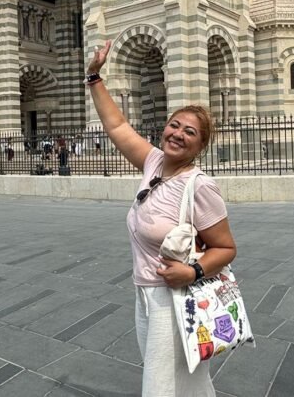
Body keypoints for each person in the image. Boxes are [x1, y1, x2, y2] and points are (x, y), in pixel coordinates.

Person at [86, 40, 237, 396]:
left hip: (175, 296)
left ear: (200, 147)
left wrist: (193, 270)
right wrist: (94, 75)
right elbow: (118, 126)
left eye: (190, 132)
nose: (178, 134)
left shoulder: (199, 185)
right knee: (185, 378)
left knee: (161, 384)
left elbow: (226, 248)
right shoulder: (153, 163)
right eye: (175, 125)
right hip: (146, 293)